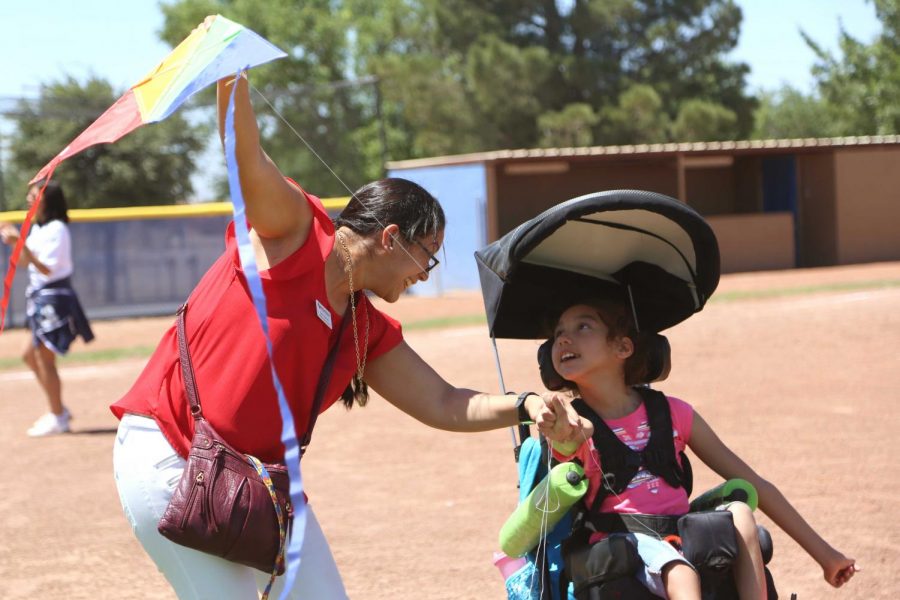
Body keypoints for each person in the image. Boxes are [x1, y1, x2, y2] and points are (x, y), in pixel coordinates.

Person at [109, 20, 548, 599]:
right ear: (390, 237)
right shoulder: (296, 231)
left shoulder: (363, 328)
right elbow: (246, 161)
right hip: (172, 457)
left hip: (257, 484)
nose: (424, 275)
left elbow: (444, 402)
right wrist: (230, 75)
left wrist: (529, 404)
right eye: (428, 256)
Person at [536, 296, 858, 600]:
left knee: (741, 512)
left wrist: (825, 555)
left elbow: (753, 482)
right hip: (621, 546)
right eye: (559, 333)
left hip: (680, 535)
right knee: (679, 572)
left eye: (583, 327)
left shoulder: (674, 413)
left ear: (623, 347)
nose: (563, 339)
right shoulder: (571, 420)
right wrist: (564, 433)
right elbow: (565, 442)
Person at [0, 181, 94, 437]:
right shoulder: (39, 229)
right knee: (29, 355)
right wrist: (14, 243)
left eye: (34, 195)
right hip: (41, 296)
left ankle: (58, 417)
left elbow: (47, 269)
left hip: (54, 297)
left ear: (46, 200)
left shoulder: (57, 229)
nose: (29, 199)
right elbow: (24, 263)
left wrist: (21, 242)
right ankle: (58, 408)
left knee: (44, 358)